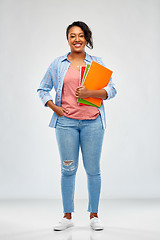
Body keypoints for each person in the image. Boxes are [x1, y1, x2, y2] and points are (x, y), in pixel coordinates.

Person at [37, 21, 117, 231]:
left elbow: (112, 91)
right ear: (68, 39)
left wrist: (90, 93)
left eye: (80, 35)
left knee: (93, 170)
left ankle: (94, 216)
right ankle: (67, 216)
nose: (77, 39)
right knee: (68, 169)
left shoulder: (96, 63)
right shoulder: (58, 64)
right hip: (66, 124)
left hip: (93, 123)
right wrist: (54, 107)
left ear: (86, 38)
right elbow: (42, 89)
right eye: (72, 36)